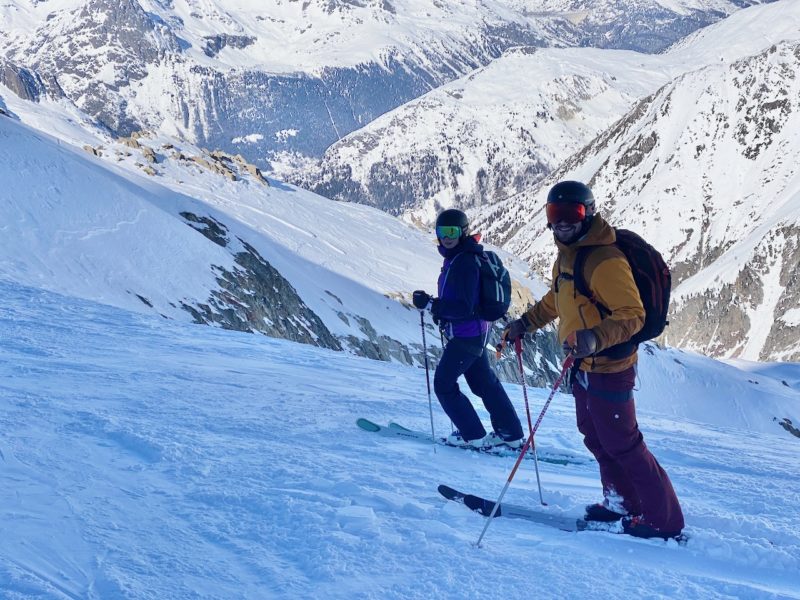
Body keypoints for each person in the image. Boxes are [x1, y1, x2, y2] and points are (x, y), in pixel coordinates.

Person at [503, 181, 685, 540]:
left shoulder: (605, 260)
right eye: (556, 215)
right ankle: (621, 502)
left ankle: (663, 520)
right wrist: (525, 323)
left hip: (610, 365)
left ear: (588, 215)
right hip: (583, 364)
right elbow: (557, 301)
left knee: (623, 442)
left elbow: (632, 315)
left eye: (573, 214)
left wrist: (593, 338)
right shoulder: (568, 256)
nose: (563, 222)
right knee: (595, 436)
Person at [413, 209, 524, 450]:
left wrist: (432, 304)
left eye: (452, 231)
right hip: (476, 333)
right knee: (484, 384)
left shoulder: (463, 261)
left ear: (463, 231)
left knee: (443, 384)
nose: (446, 237)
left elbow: (463, 307)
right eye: (441, 232)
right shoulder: (463, 256)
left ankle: (471, 435)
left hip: (466, 335)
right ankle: (511, 435)